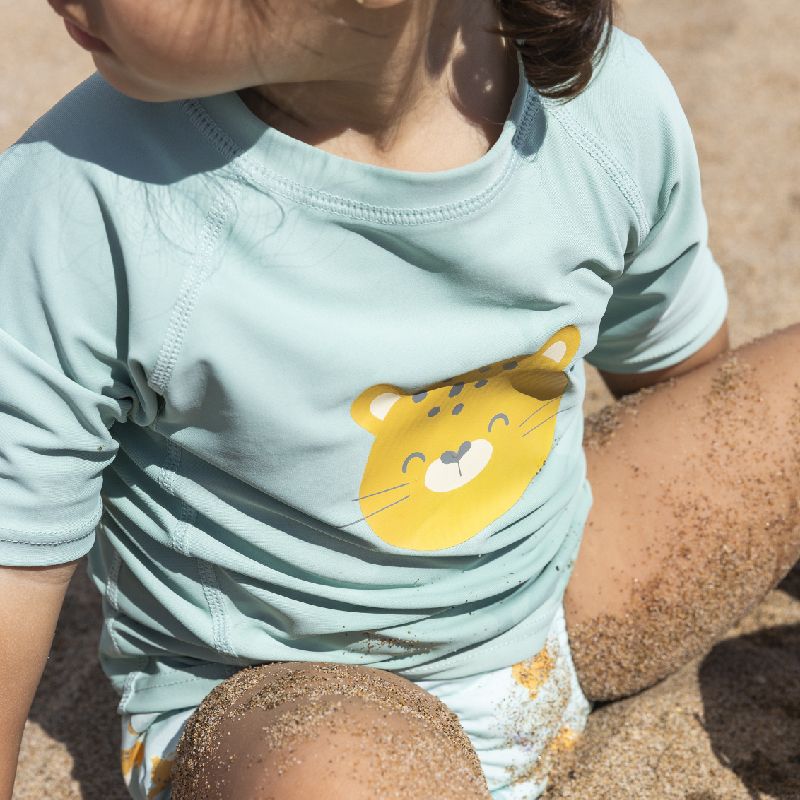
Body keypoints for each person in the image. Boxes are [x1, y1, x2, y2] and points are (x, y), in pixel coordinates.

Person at [1, 0, 798, 798]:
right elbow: (15, 565)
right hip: (281, 703)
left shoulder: (591, 103)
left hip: (555, 595)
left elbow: (694, 394)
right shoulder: (83, 198)